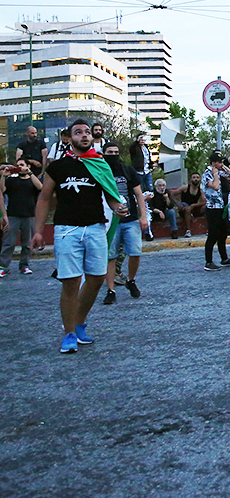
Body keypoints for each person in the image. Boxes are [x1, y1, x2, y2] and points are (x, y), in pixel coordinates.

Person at [32, 119, 125, 354]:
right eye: (78, 132)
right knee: (71, 281)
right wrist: (38, 231)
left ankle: (78, 322)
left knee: (97, 278)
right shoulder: (57, 167)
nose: (84, 135)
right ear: (69, 138)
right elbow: (44, 198)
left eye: (87, 132)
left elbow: (111, 195)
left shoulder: (99, 164)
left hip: (95, 227)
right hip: (66, 229)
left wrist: (118, 207)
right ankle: (69, 333)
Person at [102, 142, 149, 304]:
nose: (113, 155)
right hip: (110, 221)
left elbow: (139, 194)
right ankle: (110, 289)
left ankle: (131, 280)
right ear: (104, 153)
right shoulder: (101, 171)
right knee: (111, 256)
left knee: (135, 252)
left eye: (116, 152)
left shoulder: (128, 170)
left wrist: (143, 216)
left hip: (130, 219)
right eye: (110, 152)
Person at [0, 158, 43, 276]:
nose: (19, 167)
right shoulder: (12, 180)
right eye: (17, 165)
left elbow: (40, 187)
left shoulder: (32, 180)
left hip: (29, 215)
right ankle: (3, 266)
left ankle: (25, 265)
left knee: (27, 244)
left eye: (22, 165)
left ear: (28, 166)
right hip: (13, 215)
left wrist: (30, 173)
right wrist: (3, 176)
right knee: (8, 243)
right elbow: (2, 190)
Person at [202, 152, 230, 271]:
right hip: (212, 208)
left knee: (223, 233)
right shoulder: (207, 174)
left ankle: (224, 258)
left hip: (221, 206)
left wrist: (223, 167)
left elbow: (229, 175)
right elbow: (216, 186)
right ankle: (208, 261)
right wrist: (215, 174)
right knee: (213, 235)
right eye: (219, 162)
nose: (221, 164)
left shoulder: (219, 171)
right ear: (213, 163)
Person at [172, 172, 206, 237]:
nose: (195, 179)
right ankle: (188, 230)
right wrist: (177, 204)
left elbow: (205, 202)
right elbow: (172, 194)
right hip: (184, 209)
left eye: (197, 177)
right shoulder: (185, 188)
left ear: (200, 179)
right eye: (194, 177)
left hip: (194, 208)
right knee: (188, 209)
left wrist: (194, 205)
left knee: (207, 209)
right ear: (190, 179)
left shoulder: (201, 190)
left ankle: (208, 230)